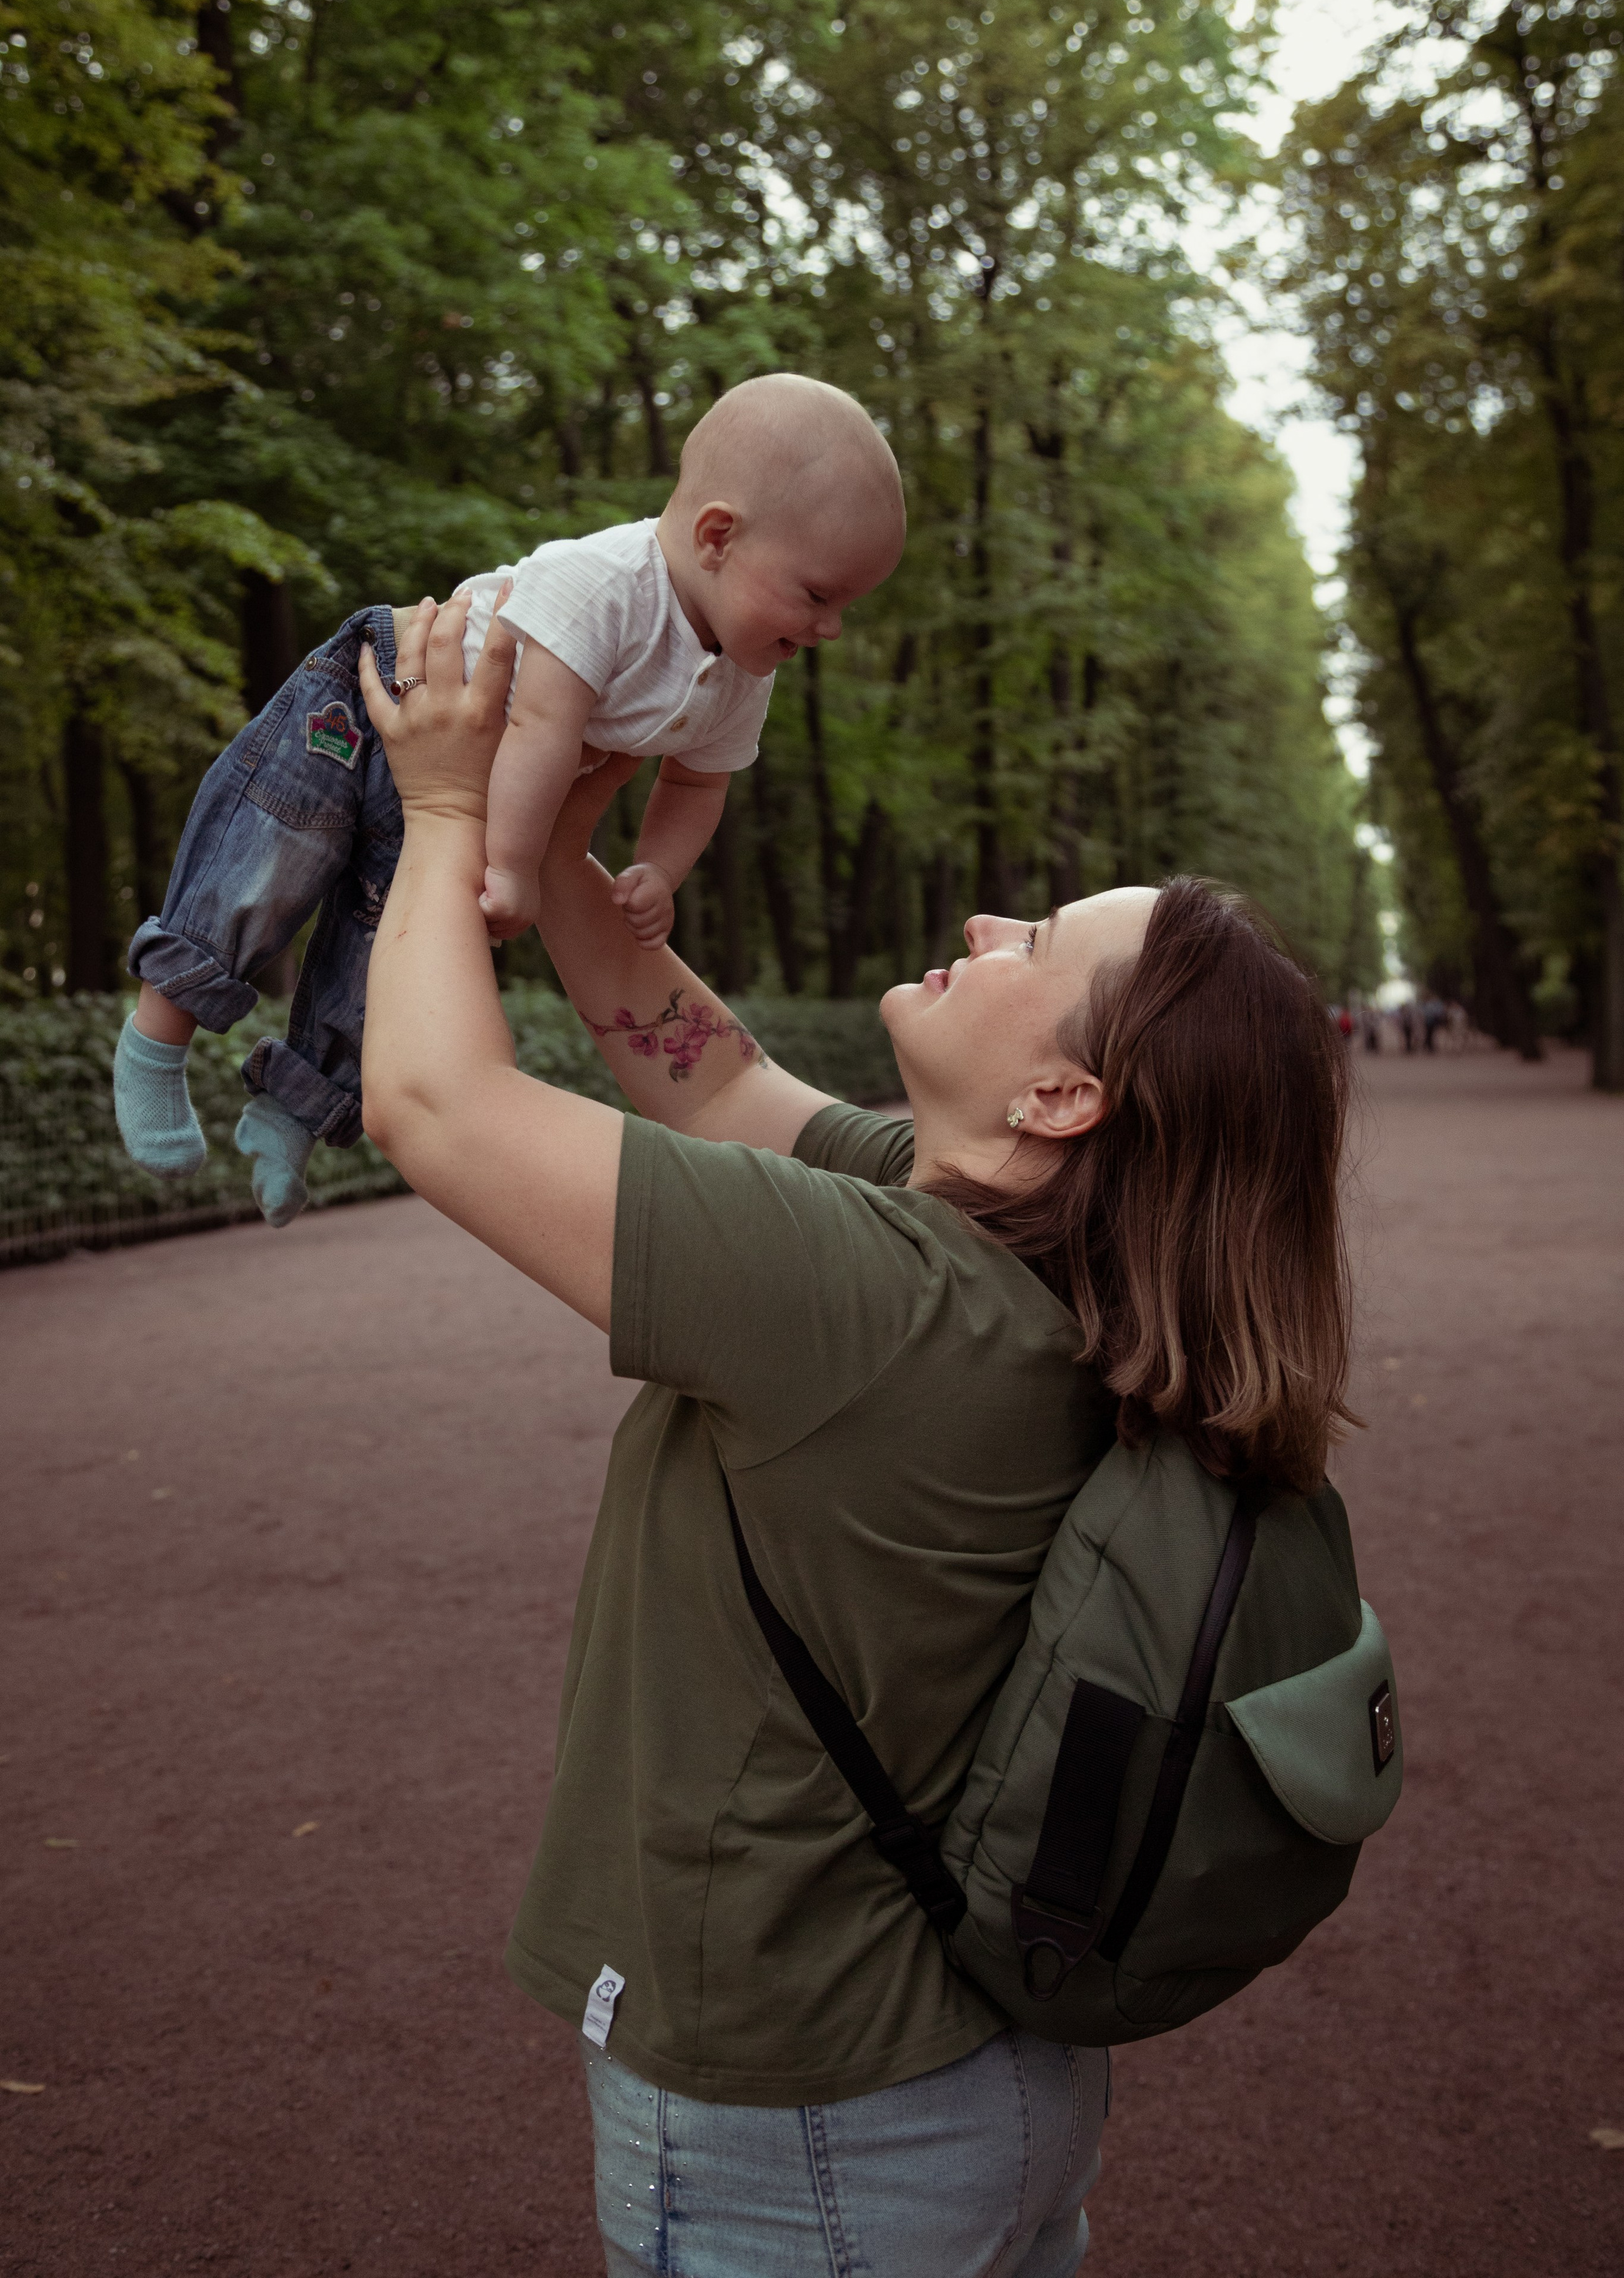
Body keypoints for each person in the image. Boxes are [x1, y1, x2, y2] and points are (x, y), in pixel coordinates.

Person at [354, 598, 1358, 2278]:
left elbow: (433, 1105)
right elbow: (699, 1072)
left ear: (1063, 1101)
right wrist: (574, 821)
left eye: (1037, 943)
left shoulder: (870, 1294)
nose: (986, 916)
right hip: (986, 2078)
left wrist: (450, 803)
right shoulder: (1039, 1268)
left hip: (800, 2114)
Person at [111, 374, 905, 1227]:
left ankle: (292, 1110)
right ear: (717, 536)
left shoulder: (743, 677)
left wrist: (658, 871)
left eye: (848, 607)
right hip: (387, 693)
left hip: (465, 790)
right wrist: (517, 868)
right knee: (274, 849)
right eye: (818, 596)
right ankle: (159, 1036)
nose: (830, 630)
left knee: (395, 945)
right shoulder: (605, 584)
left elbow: (697, 782)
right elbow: (539, 727)